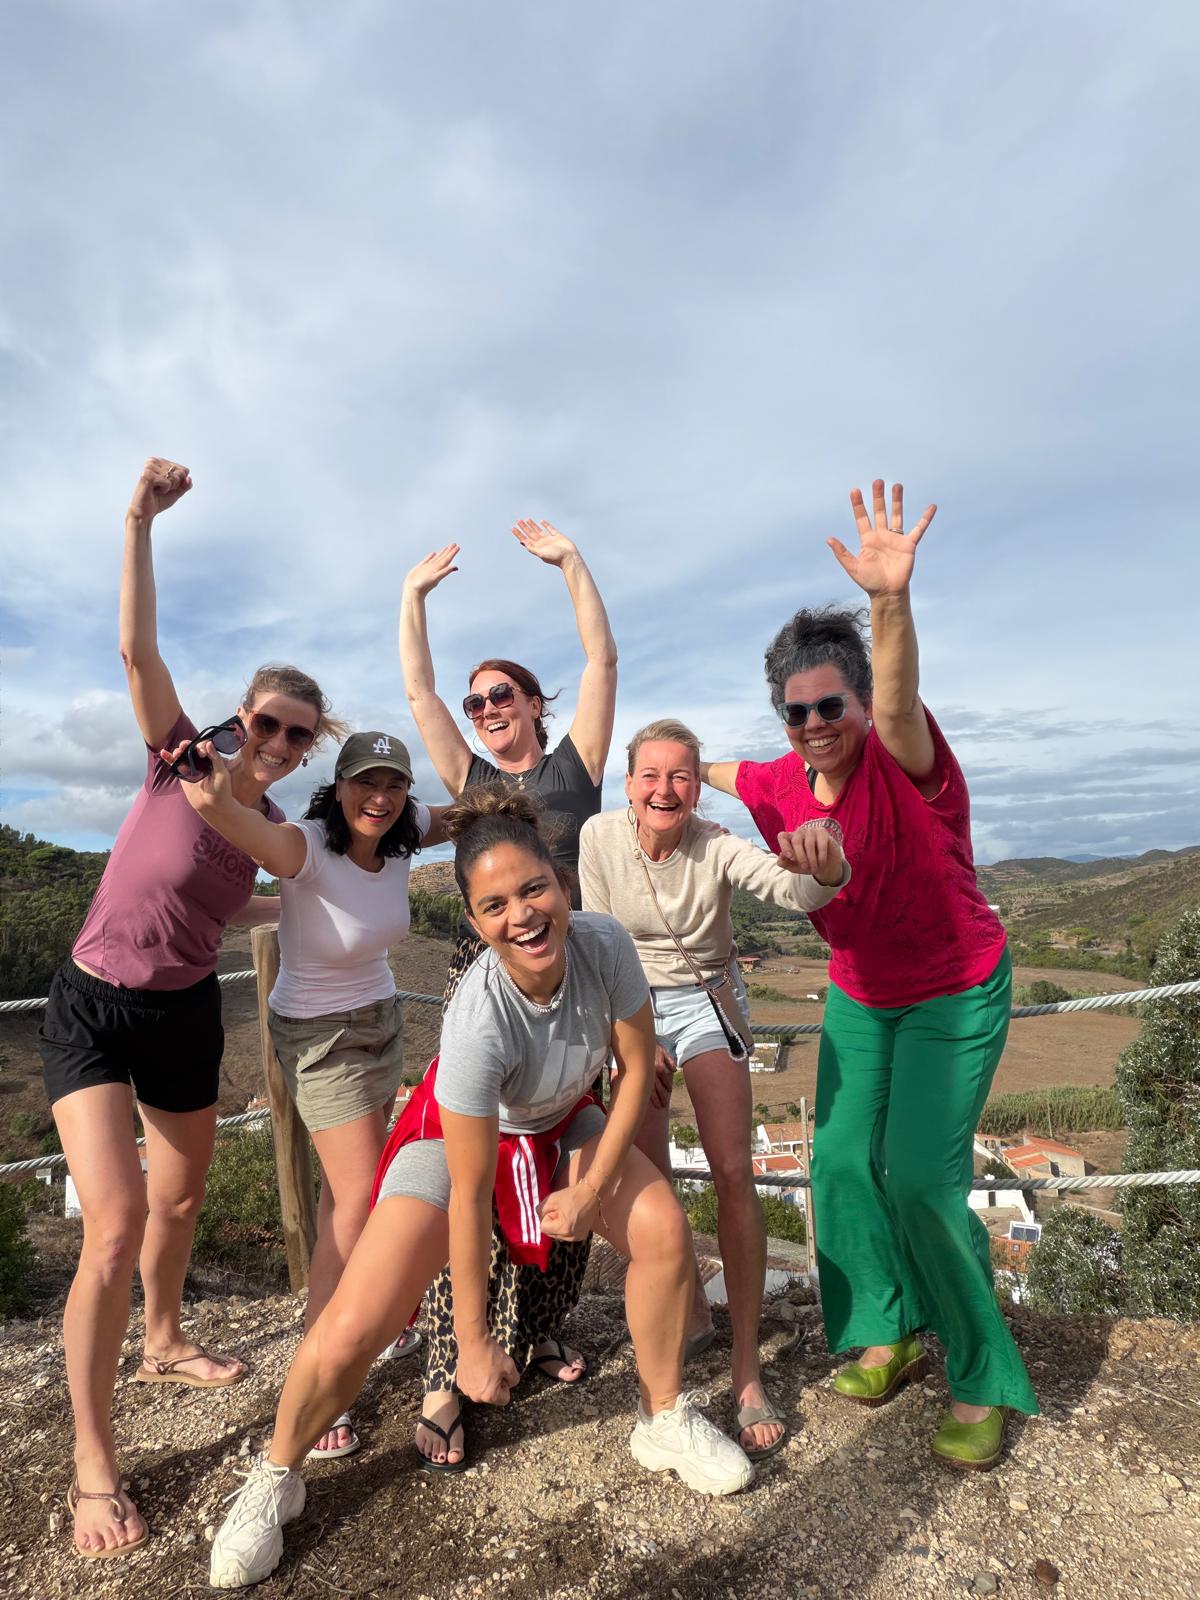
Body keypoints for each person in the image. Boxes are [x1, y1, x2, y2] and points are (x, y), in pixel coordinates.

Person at [208, 787, 753, 1590]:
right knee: (357, 1317)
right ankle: (274, 1475)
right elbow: (471, 1195)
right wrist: (471, 1341)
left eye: (534, 890)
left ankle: (662, 1416)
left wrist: (592, 1187)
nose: (522, 916)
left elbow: (637, 1069)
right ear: (471, 919)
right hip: (459, 1138)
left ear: (562, 886)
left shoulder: (605, 945)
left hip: (559, 1120)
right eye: (494, 906)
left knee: (664, 1229)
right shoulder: (477, 1017)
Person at [37, 459, 345, 1560]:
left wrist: (305, 908)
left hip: (183, 1015)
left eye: (298, 735)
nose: (278, 743)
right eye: (268, 722)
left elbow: (253, 893)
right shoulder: (179, 761)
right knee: (115, 1223)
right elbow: (136, 650)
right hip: (92, 1007)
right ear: (241, 715)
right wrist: (138, 521)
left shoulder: (268, 827)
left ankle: (162, 1340)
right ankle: (93, 1458)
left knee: (178, 1203)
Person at [702, 479, 1038, 1469]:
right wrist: (662, 774)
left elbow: (895, 696)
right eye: (796, 710)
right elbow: (716, 770)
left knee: (924, 1178)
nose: (815, 722)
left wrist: (889, 602)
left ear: (857, 701)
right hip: (860, 990)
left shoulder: (902, 755)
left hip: (954, 985)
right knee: (843, 1163)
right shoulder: (775, 780)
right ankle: (886, 1331)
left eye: (830, 704)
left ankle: (979, 1373)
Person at [399, 520, 618, 1465]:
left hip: (574, 987)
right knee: (476, 1180)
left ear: (534, 703)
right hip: (484, 988)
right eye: (478, 699)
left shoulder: (577, 768)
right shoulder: (472, 777)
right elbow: (419, 692)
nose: (486, 707)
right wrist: (412, 599)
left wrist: (571, 563)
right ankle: (449, 1368)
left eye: (501, 695)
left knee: (566, 1169)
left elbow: (602, 658)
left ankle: (537, 1327)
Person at [171, 726, 448, 1459]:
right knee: (361, 1200)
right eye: (365, 782)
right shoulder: (306, 844)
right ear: (340, 785)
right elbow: (238, 824)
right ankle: (323, 1362)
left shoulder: (402, 830)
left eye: (393, 784)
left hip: (382, 1020)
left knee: (342, 1197)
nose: (379, 797)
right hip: (320, 1036)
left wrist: (515, 797)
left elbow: (459, 816)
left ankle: (357, 1318)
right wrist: (208, 786)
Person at [578, 720, 851, 1461]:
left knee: (732, 1170)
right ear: (628, 784)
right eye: (651, 774)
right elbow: (597, 939)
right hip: (630, 1003)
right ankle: (687, 1317)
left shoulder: (717, 845)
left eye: (681, 775)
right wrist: (630, 1037)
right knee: (651, 1177)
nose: (665, 789)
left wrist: (825, 864)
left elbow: (788, 888)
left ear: (697, 788)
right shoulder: (599, 838)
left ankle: (746, 1370)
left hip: (706, 998)